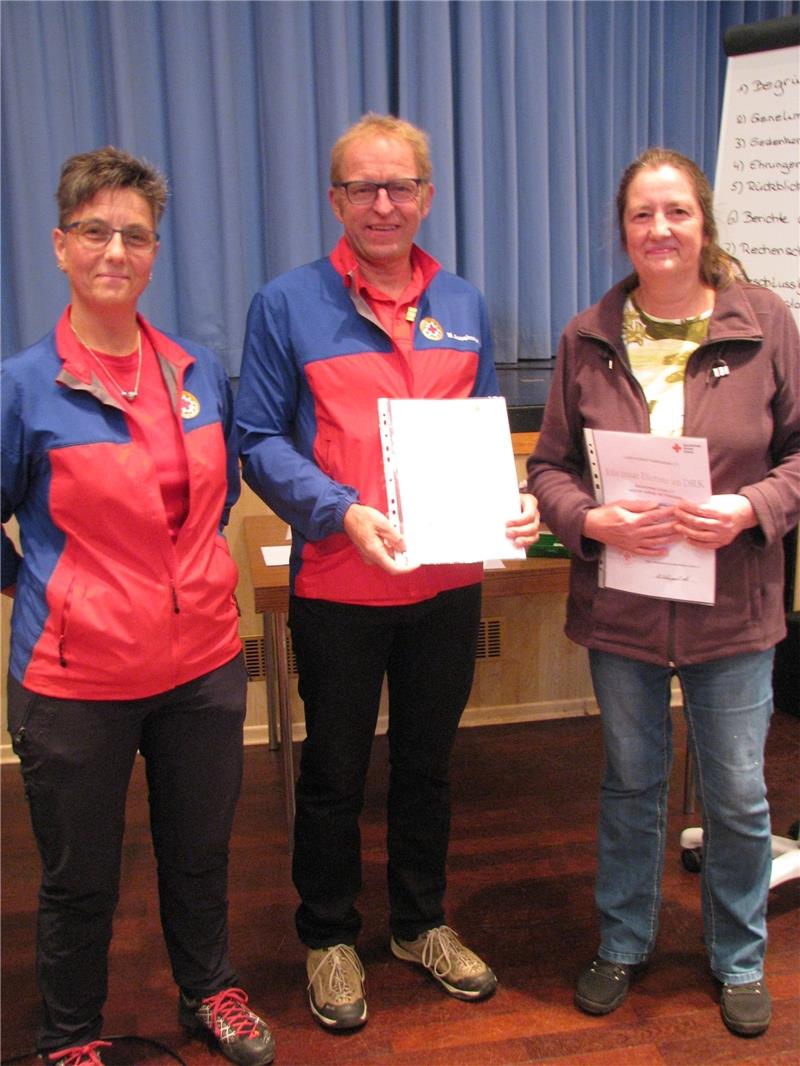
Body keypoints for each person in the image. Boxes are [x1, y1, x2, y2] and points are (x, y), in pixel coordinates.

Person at [237, 113, 540, 1030]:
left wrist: (510, 500)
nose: (382, 203)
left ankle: (420, 922)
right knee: (331, 771)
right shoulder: (285, 304)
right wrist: (338, 510)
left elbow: (483, 429)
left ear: (426, 196)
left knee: (429, 764)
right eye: (363, 188)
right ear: (335, 200)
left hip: (447, 587)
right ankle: (328, 934)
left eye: (399, 186)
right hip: (339, 584)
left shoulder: (466, 302)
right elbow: (255, 440)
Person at [1, 147, 274, 1066]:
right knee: (82, 879)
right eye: (95, 231)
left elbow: (214, 501)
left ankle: (210, 992)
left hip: (201, 668)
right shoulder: (24, 386)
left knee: (199, 855)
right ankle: (68, 1037)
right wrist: (47, 587)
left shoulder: (196, 374)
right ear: (61, 246)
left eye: (135, 235)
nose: (115, 249)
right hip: (76, 681)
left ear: (154, 253)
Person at [527, 147, 800, 1038]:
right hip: (626, 608)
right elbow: (552, 469)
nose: (660, 230)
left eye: (676, 211)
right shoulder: (586, 334)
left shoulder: (767, 324)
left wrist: (751, 506)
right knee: (632, 784)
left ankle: (739, 957)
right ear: (624, 230)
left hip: (734, 607)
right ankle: (623, 941)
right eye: (642, 215)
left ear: (704, 222)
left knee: (736, 796)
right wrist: (589, 523)